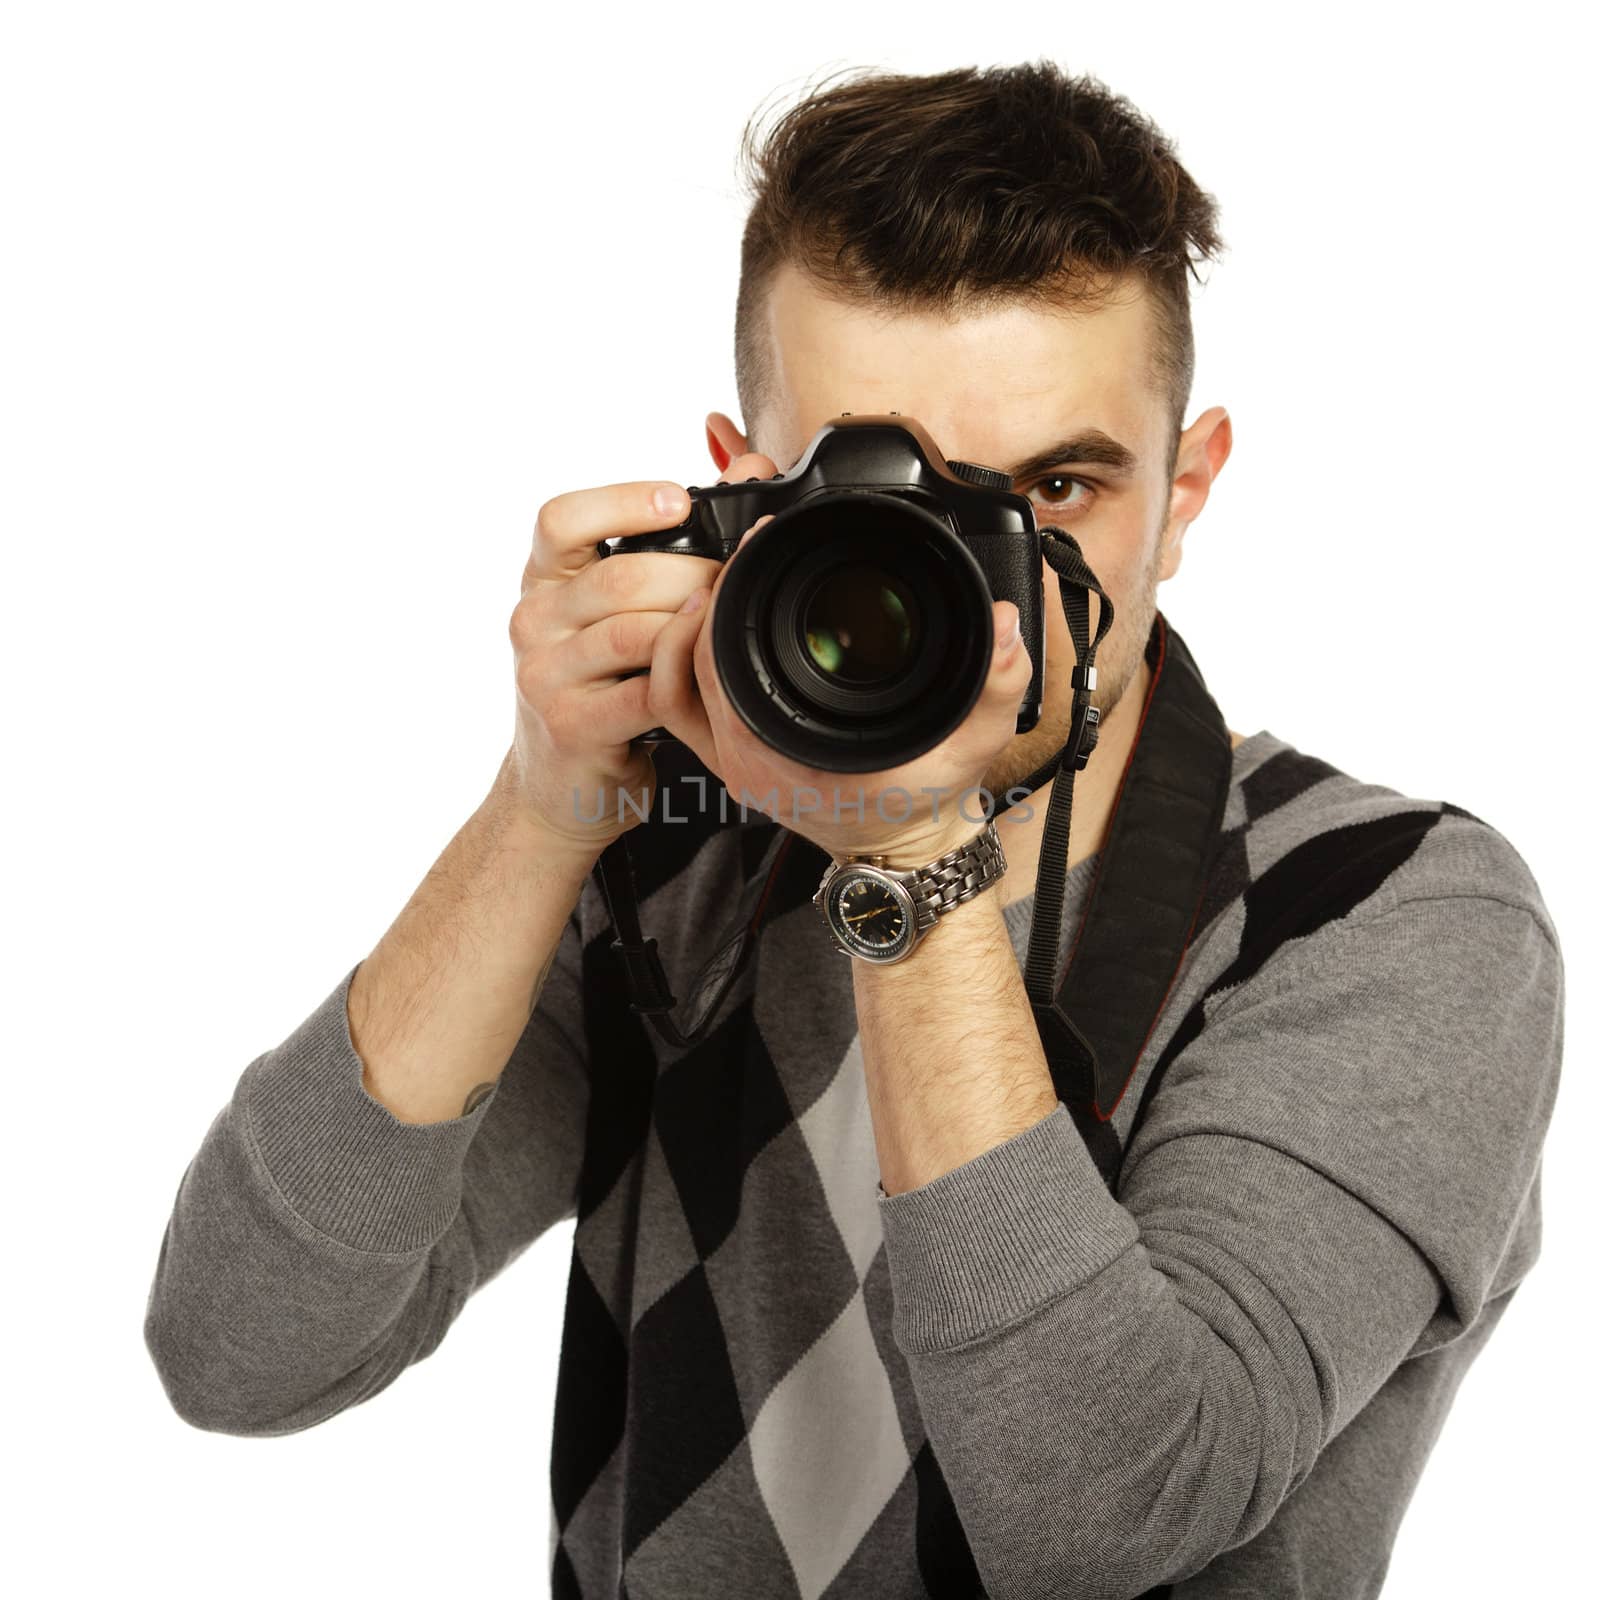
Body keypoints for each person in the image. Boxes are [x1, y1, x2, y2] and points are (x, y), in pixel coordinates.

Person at [143, 60, 1564, 1600]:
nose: (990, 578)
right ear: (744, 484)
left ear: (1187, 487)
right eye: (895, 504)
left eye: (1060, 487)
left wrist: (907, 861)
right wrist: (544, 805)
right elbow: (243, 1352)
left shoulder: (1384, 909)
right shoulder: (677, 861)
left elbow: (1101, 1520)